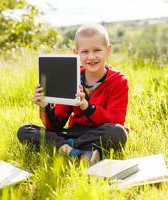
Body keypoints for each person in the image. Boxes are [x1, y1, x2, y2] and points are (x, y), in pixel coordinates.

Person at [17, 24, 129, 166]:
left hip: (98, 133)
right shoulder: (72, 77)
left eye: (97, 50)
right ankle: (79, 153)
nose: (91, 57)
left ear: (108, 50)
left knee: (118, 132)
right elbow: (55, 127)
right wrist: (46, 107)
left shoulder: (119, 81)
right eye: (85, 51)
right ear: (76, 53)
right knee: (25, 130)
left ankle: (65, 148)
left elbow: (116, 120)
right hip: (73, 133)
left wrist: (88, 107)